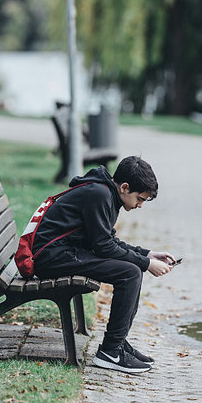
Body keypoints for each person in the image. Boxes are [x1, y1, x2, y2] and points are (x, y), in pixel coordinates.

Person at [33, 156, 175, 373]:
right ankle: (110, 352)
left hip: (65, 253)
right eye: (140, 199)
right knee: (130, 273)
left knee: (132, 270)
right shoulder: (99, 194)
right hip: (51, 257)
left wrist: (148, 254)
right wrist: (146, 263)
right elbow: (104, 246)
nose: (140, 205)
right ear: (125, 187)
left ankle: (117, 344)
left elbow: (108, 240)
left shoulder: (106, 193)